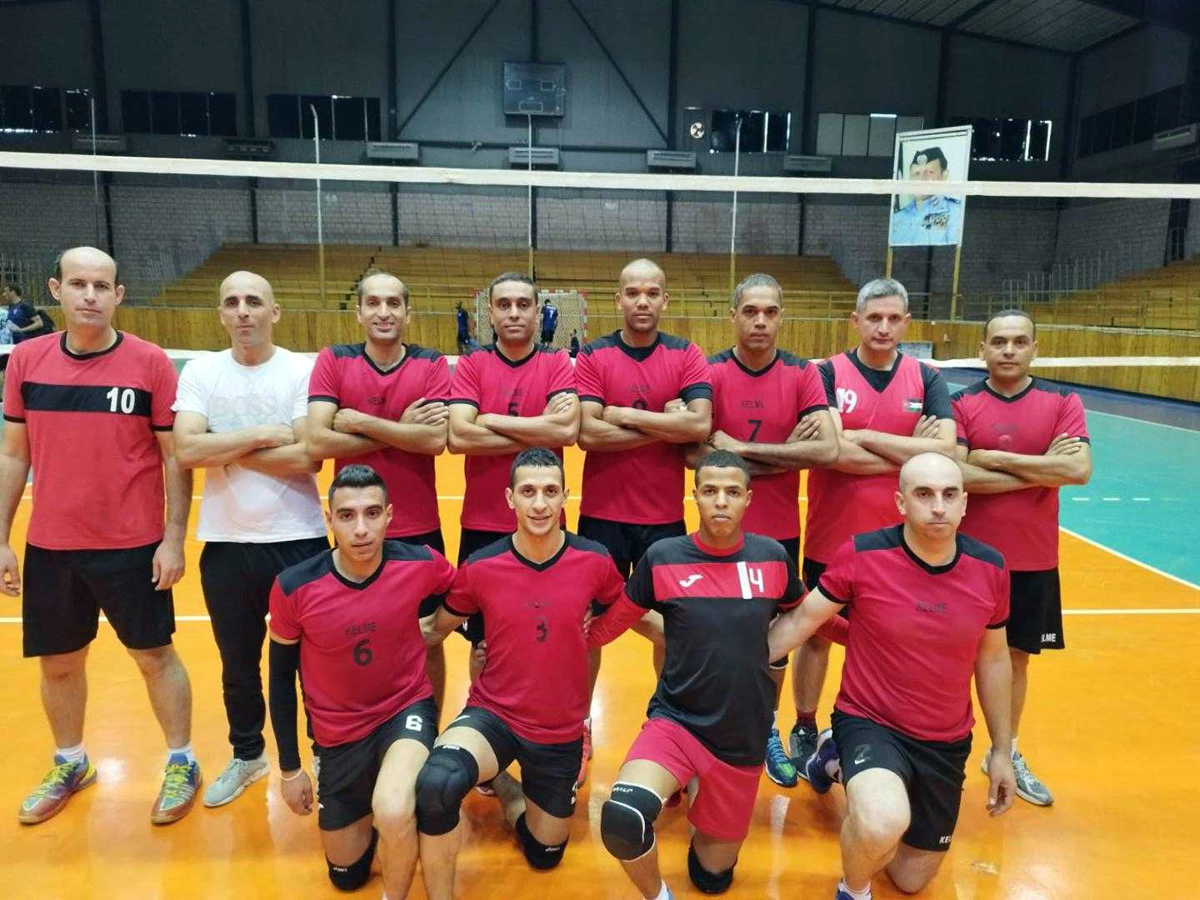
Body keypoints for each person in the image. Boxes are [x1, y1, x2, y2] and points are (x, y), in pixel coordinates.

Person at [0, 246, 197, 825]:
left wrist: (173, 538)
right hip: (52, 546)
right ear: (56, 289)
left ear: (118, 295)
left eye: (102, 286)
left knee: (154, 656)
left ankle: (182, 761)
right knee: (59, 663)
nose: (90, 295)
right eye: (79, 284)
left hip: (133, 546)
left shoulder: (150, 363)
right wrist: (2, 538)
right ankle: (71, 762)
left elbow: (174, 457)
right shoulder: (26, 362)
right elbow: (13, 455)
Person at [589, 450, 842, 899]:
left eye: (731, 492)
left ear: (748, 498)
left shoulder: (771, 557)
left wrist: (872, 636)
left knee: (711, 878)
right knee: (624, 818)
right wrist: (555, 634)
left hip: (740, 737)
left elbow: (811, 615)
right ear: (695, 496)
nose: (720, 501)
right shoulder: (663, 557)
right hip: (676, 722)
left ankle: (696, 786)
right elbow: (611, 624)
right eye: (709, 491)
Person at [767, 453, 1017, 900]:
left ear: (965, 503)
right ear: (901, 502)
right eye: (924, 494)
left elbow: (995, 659)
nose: (938, 506)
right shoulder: (862, 554)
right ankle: (854, 889)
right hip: (870, 720)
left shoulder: (991, 568)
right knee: (882, 823)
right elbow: (803, 620)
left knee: (909, 878)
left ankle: (832, 760)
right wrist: (730, 663)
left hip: (945, 739)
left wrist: (1002, 750)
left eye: (949, 495)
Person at [414, 448, 625, 896]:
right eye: (528, 492)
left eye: (550, 491)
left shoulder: (595, 560)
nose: (540, 504)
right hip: (494, 715)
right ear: (510, 498)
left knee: (544, 852)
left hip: (558, 729)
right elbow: (433, 629)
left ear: (566, 495)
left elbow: (630, 612)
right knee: (437, 784)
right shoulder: (481, 566)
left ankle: (505, 786)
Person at [172, 270, 329, 809]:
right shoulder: (202, 371)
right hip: (226, 544)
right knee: (237, 664)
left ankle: (325, 755)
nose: (243, 310)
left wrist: (221, 445)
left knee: (313, 665)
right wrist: (262, 435)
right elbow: (186, 451)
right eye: (232, 302)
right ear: (221, 313)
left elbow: (308, 456)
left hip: (299, 539)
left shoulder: (301, 370)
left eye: (254, 301)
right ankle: (248, 755)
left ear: (274, 312)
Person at [788, 277, 955, 774]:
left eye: (893, 318)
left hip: (904, 544)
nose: (884, 327)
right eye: (874, 318)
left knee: (895, 640)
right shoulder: (824, 373)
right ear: (855, 321)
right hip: (831, 536)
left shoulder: (927, 378)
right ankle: (804, 723)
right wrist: (910, 450)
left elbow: (945, 449)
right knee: (816, 635)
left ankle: (881, 728)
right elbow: (832, 452)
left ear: (907, 322)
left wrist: (860, 435)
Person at [268, 464, 456, 897]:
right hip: (338, 735)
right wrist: (291, 768)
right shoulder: (295, 587)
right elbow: (279, 681)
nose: (360, 529)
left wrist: (447, 629)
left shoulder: (420, 562)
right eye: (347, 515)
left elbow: (472, 590)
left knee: (392, 809)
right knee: (346, 875)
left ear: (389, 515)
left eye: (372, 513)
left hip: (404, 709)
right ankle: (390, 812)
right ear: (329, 520)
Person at [689, 273, 838, 788]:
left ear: (781, 317)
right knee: (710, 636)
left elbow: (826, 450)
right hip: (717, 532)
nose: (760, 321)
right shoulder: (709, 371)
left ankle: (765, 727)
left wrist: (739, 450)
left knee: (776, 638)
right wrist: (786, 451)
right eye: (750, 311)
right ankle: (702, 731)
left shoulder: (803, 373)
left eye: (770, 312)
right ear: (733, 315)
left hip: (778, 536)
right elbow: (692, 453)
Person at [575, 257, 712, 780]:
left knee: (672, 629)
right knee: (588, 627)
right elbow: (588, 433)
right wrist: (665, 423)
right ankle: (579, 724)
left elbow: (699, 426)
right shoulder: (595, 354)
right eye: (632, 292)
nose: (642, 301)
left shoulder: (686, 354)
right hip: (602, 517)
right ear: (618, 299)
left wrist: (625, 414)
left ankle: (668, 726)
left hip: (663, 519)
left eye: (652, 292)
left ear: (664, 300)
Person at [952, 309, 1092, 807]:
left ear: (1035, 348)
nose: (1008, 350)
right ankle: (940, 750)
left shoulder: (1063, 401)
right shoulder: (961, 402)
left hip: (1033, 561)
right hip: (969, 560)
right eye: (998, 342)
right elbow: (958, 474)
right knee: (952, 657)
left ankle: (1004, 752)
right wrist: (1042, 468)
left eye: (1018, 341)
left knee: (1015, 660)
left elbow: (1078, 471)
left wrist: (997, 458)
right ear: (983, 350)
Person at [306, 269, 452, 717]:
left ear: (408, 313)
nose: (383, 312)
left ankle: (427, 728)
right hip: (356, 526)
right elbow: (318, 441)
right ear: (358, 312)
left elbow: (435, 440)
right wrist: (401, 430)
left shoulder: (430, 363)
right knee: (356, 632)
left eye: (393, 303)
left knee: (427, 637)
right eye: (373, 303)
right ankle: (366, 721)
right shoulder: (334, 359)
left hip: (419, 527)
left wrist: (359, 422)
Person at [447, 273, 578, 678]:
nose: (514, 313)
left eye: (523, 304)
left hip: (545, 524)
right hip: (482, 524)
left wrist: (489, 420)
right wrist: (539, 425)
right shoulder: (473, 364)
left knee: (550, 633)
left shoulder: (556, 362)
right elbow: (459, 435)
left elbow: (566, 431)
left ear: (538, 312)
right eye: (504, 305)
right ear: (490, 312)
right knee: (483, 642)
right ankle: (480, 708)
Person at [889, 146, 964, 247]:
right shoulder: (896, 218)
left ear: (944, 175)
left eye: (929, 172)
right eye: (916, 173)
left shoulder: (957, 213)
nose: (922, 178)